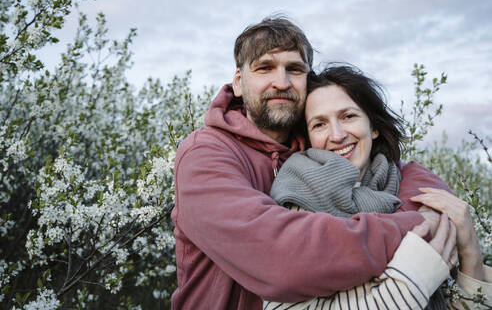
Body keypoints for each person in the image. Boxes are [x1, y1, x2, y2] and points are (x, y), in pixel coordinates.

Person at [171, 16, 451, 310]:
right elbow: (280, 259)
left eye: (295, 69)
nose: (282, 82)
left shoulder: (317, 147)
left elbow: (401, 172)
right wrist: (418, 228)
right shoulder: (205, 154)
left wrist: (435, 206)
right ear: (239, 82)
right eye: (265, 67)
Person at [264, 65, 491, 309]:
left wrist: (471, 256)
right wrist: (412, 280)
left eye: (348, 116)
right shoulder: (297, 198)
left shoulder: (413, 192)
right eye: (319, 124)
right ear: (309, 140)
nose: (337, 135)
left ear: (373, 127)